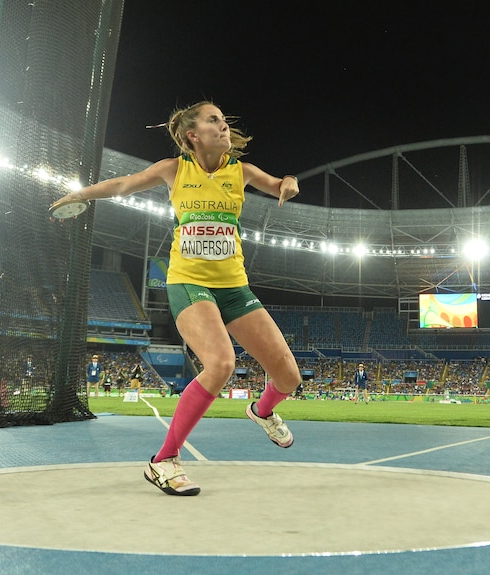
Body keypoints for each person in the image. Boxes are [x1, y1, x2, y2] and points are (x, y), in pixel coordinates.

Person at [50, 101, 302, 496]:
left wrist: (288, 181)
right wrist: (79, 194)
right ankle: (163, 460)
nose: (224, 127)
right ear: (192, 135)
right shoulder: (175, 170)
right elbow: (122, 185)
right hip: (188, 280)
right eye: (214, 120)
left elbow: (278, 182)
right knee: (220, 363)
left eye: (223, 121)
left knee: (288, 376)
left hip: (234, 286)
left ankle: (262, 410)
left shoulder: (243, 172)